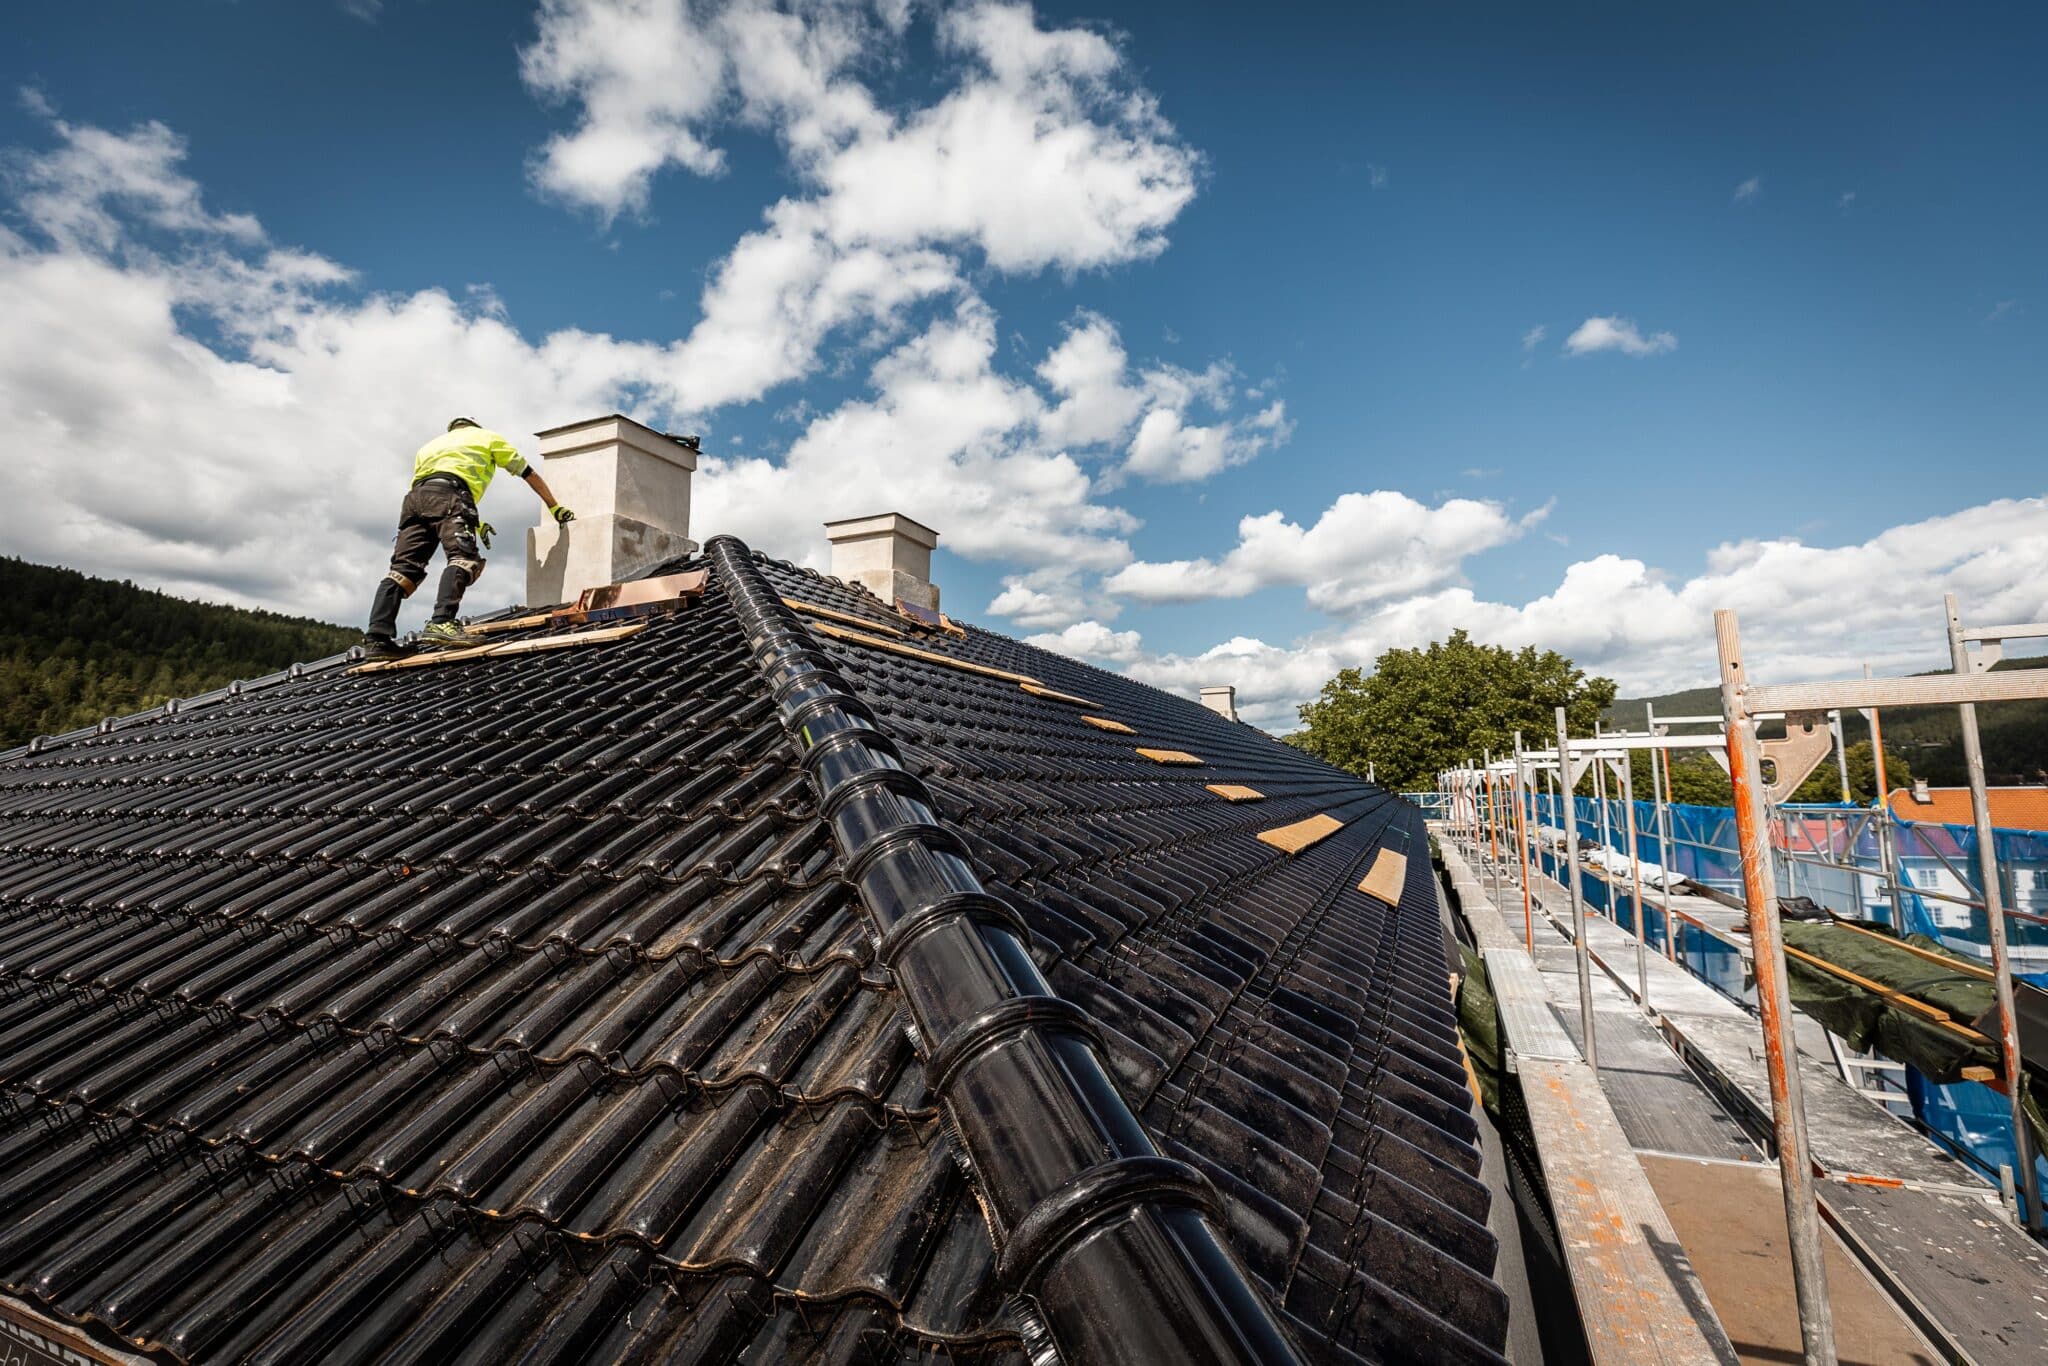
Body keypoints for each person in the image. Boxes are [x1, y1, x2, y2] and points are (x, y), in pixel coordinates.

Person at [361, 418, 574, 659]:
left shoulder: (429, 446)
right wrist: (554, 507)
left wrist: (476, 522)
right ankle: (442, 621)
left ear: (452, 430)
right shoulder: (488, 438)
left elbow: (432, 497)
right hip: (451, 494)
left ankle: (377, 638)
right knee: (465, 559)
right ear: (474, 428)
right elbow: (528, 474)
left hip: (414, 501)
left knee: (403, 570)